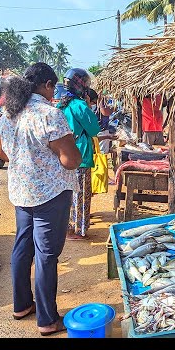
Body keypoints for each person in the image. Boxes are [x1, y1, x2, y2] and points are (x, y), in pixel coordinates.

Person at [0, 62, 81, 336]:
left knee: (22, 247)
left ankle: (21, 305)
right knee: (46, 255)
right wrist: (60, 149)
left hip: (22, 192)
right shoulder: (49, 114)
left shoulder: (9, 113)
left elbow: (3, 155)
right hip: (50, 194)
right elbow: (70, 160)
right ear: (47, 85)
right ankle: (47, 319)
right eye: (53, 88)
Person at [57, 68, 101, 240]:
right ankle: (79, 230)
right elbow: (94, 129)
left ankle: (66, 227)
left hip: (63, 156)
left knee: (66, 194)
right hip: (80, 155)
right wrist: (89, 106)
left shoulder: (61, 105)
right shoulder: (80, 106)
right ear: (80, 85)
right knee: (82, 195)